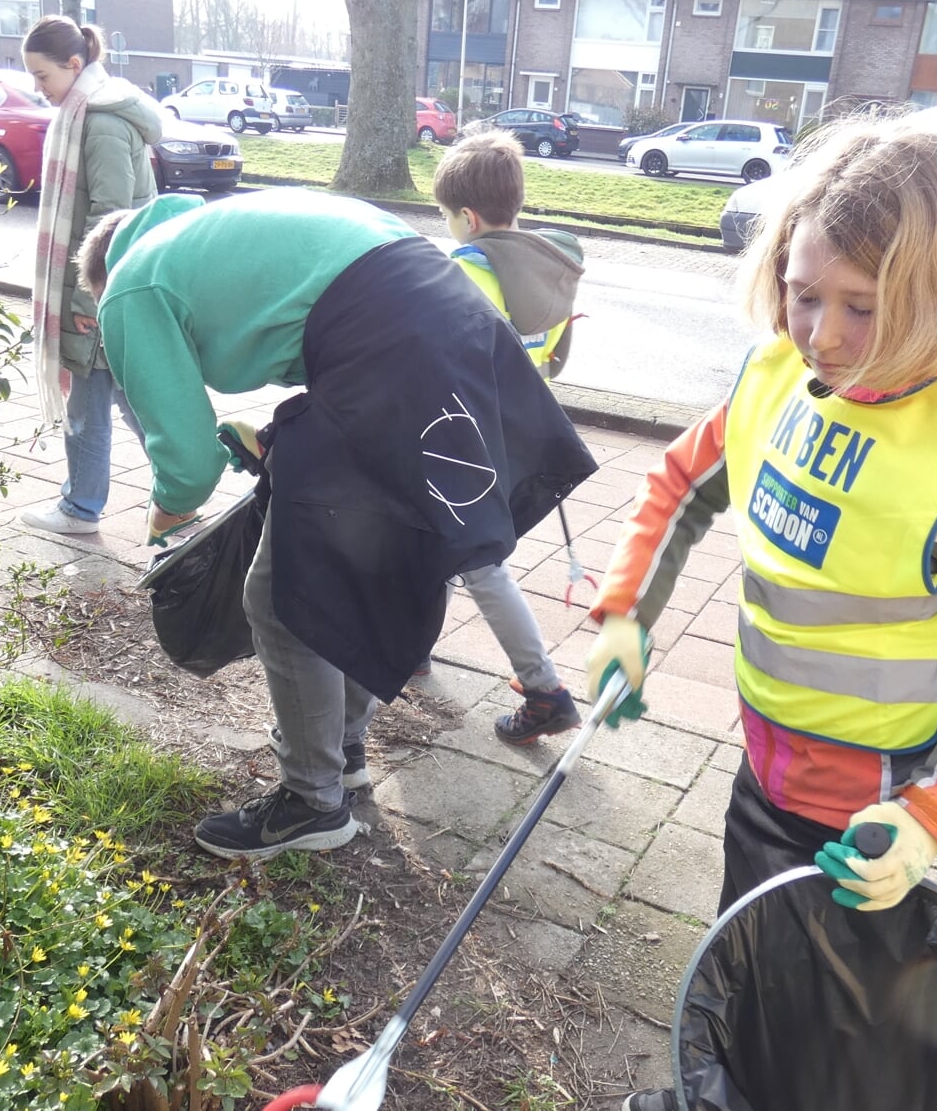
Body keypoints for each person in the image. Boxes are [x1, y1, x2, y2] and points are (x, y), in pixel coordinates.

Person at [581, 116, 937, 1111]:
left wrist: (929, 823)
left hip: (875, 813)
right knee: (754, 961)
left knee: (846, 1038)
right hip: (765, 764)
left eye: (863, 306)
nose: (822, 334)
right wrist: (624, 614)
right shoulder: (782, 372)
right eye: (804, 293)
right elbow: (685, 482)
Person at [77, 189, 597, 861]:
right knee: (382, 551)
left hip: (393, 341)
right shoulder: (214, 233)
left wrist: (164, 526)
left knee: (286, 592)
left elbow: (185, 460)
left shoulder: (129, 284)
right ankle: (344, 751)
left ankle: (311, 802)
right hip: (451, 315)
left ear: (98, 279)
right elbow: (325, 331)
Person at [426, 129, 586, 745]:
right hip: (517, 435)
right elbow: (549, 362)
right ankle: (414, 647)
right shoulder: (543, 269)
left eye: (445, 218)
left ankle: (544, 690)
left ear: (467, 217)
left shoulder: (466, 272)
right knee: (437, 544)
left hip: (464, 440)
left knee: (479, 560)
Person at [16, 15, 165, 536]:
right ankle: (187, 489)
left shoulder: (98, 122)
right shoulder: (88, 111)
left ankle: (82, 508)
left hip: (100, 292)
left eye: (42, 75)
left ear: (73, 65)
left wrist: (84, 305)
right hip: (111, 289)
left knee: (97, 409)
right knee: (130, 401)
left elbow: (111, 222)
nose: (38, 87)